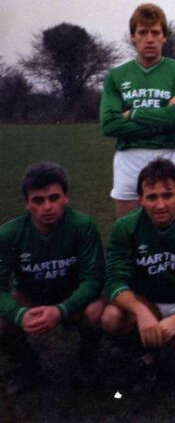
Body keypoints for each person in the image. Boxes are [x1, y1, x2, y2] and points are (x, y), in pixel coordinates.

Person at [101, 159, 175, 390]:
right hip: (147, 301)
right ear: (140, 199)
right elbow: (115, 281)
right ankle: (143, 357)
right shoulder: (125, 227)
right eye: (152, 197)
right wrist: (141, 312)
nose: (160, 205)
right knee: (111, 317)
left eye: (167, 195)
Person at [0, 163, 105, 393]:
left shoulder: (82, 226)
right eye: (38, 200)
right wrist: (19, 313)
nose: (47, 207)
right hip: (32, 298)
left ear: (65, 198)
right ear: (27, 203)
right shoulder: (9, 234)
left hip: (72, 297)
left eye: (54, 197)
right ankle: (27, 364)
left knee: (97, 311)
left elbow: (94, 280)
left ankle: (86, 358)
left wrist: (62, 309)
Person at [100, 3, 175, 217]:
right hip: (129, 157)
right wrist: (163, 117)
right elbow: (109, 124)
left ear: (164, 37)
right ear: (133, 36)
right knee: (128, 227)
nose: (149, 39)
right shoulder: (116, 75)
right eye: (143, 32)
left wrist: (134, 113)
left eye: (155, 32)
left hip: (171, 154)